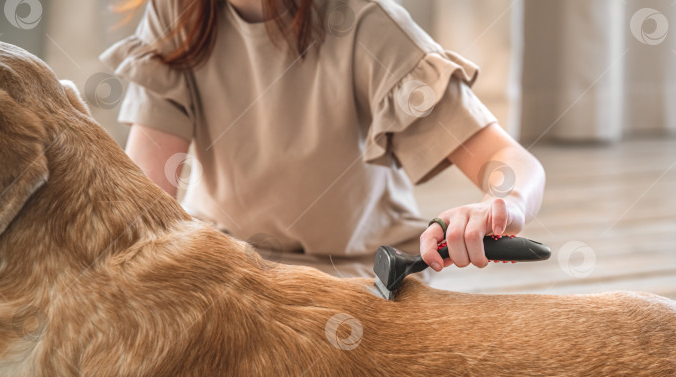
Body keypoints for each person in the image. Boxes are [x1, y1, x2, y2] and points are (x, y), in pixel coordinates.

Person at [100, 0, 545, 279]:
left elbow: (509, 161)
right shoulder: (177, 12)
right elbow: (143, 207)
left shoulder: (368, 22)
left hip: (355, 277)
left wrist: (500, 204)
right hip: (231, 270)